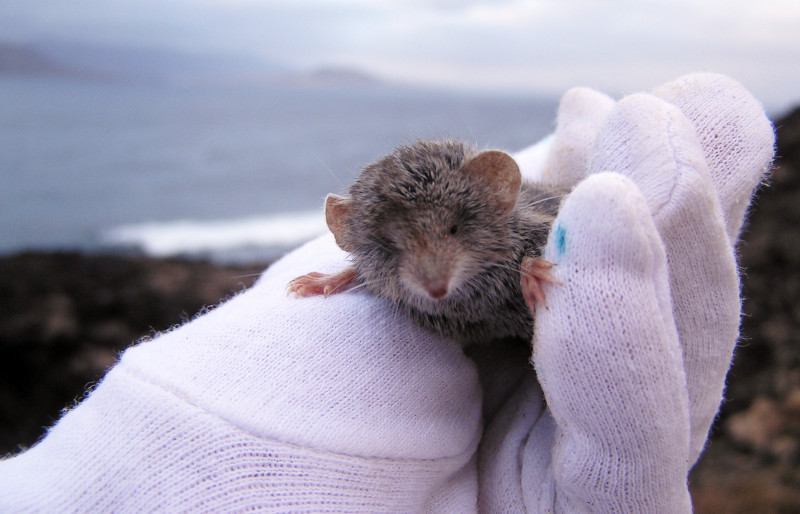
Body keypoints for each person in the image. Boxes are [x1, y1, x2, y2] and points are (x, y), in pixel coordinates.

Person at [0, 73, 774, 512]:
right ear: (357, 237)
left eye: (447, 238)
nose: (431, 277)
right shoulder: (374, 263)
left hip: (536, 343)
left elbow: (563, 221)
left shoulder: (525, 216)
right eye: (400, 252)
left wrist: (540, 270)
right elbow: (387, 272)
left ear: (494, 195)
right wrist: (351, 276)